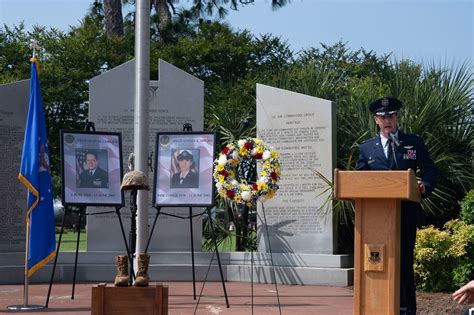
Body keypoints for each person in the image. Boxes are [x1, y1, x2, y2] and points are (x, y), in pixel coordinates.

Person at [356, 96, 438, 315]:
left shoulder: (413, 142)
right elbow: (358, 180)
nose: (387, 120)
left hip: (406, 214)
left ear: (397, 117)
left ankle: (405, 311)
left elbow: (430, 170)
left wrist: (424, 185)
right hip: (376, 219)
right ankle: (376, 307)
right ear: (376, 120)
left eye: (391, 116)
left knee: (403, 263)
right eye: (383, 117)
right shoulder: (366, 149)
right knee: (376, 261)